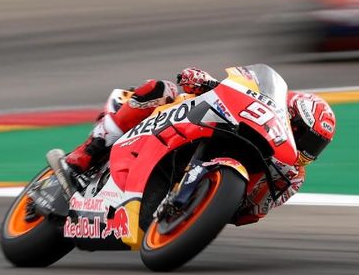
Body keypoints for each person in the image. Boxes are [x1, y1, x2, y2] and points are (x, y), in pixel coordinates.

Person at [65, 67, 336, 225]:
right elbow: (218, 89)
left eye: (316, 146)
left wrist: (225, 202)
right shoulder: (257, 106)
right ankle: (88, 151)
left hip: (203, 176)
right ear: (288, 116)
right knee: (160, 89)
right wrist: (204, 82)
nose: (306, 149)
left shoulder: (292, 176)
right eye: (305, 137)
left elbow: (250, 214)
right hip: (177, 123)